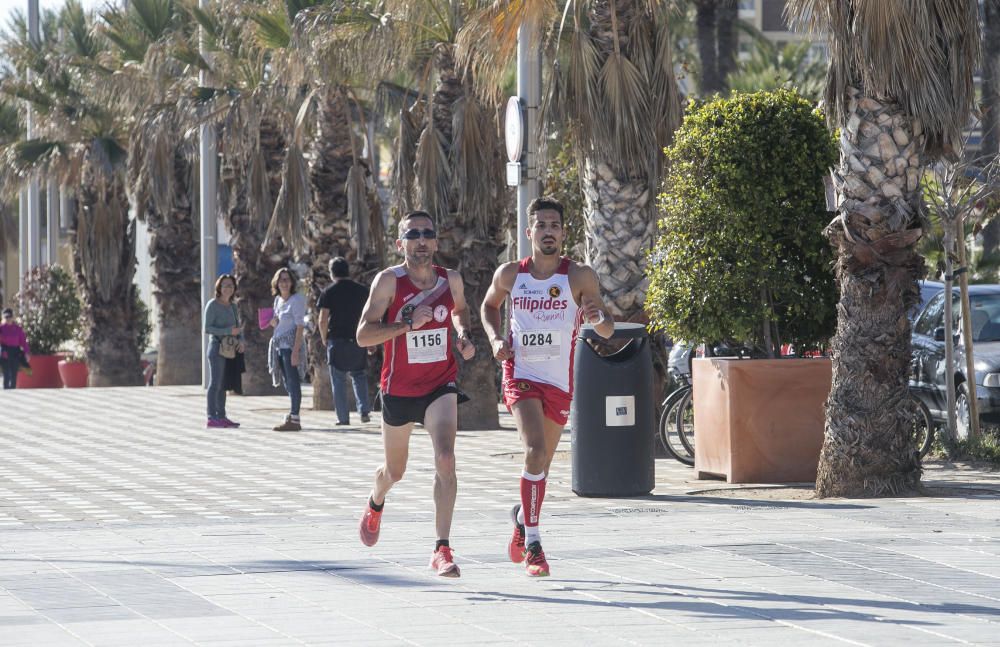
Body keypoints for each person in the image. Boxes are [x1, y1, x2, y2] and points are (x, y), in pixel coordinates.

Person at [481, 196, 614, 577]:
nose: (548, 231)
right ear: (530, 232)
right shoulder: (511, 274)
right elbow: (489, 307)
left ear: (563, 232)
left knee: (541, 464)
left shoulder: (579, 276)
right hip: (520, 374)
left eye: (554, 225)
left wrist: (598, 316)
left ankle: (522, 519)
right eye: (541, 225)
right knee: (535, 451)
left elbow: (605, 329)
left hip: (558, 381)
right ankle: (535, 546)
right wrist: (494, 340)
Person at [355, 211, 476, 578]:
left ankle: (441, 548)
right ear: (400, 243)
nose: (421, 240)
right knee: (395, 470)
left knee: (446, 458)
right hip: (399, 389)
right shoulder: (388, 283)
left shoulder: (450, 279)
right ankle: (377, 500)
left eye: (427, 234)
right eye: (413, 235)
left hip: (440, 383)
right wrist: (407, 324)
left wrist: (463, 334)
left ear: (436, 242)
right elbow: (363, 335)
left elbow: (462, 311)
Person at [317, 257, 371, 426]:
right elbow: (370, 315)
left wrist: (324, 337)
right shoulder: (362, 290)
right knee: (359, 374)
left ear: (332, 273)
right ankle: (364, 410)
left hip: (337, 339)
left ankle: (343, 418)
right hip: (358, 339)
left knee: (338, 380)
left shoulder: (329, 291)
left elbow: (323, 319)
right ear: (348, 271)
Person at [268, 267, 307, 431]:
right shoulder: (278, 300)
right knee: (287, 382)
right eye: (281, 279)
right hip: (279, 345)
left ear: (292, 282)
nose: (284, 283)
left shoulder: (296, 300)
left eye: (287, 279)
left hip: (290, 346)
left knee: (293, 381)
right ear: (276, 283)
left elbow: (299, 327)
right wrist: (274, 322)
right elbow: (280, 321)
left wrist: (295, 351)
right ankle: (292, 414)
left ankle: (295, 417)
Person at [203, 275, 244, 427]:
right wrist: (228, 330)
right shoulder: (212, 305)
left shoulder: (233, 306)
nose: (228, 288)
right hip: (216, 348)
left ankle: (221, 415)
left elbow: (238, 327)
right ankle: (211, 416)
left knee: (224, 383)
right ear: (219, 288)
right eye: (225, 285)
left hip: (230, 349)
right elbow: (207, 328)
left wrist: (241, 341)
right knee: (215, 383)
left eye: (231, 286)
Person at [0, 308, 30, 390]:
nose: (8, 319)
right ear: (3, 318)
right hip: (5, 352)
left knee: (14, 373)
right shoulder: (1, 328)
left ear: (13, 317)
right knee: (6, 374)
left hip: (15, 352)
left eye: (10, 317)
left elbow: (23, 342)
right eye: (6, 317)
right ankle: (6, 390)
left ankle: (12, 390)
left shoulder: (17, 329)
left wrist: (27, 352)